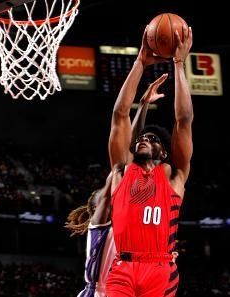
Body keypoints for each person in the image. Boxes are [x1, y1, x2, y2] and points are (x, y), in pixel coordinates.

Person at [106, 23, 193, 297]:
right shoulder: (122, 171)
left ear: (164, 152)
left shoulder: (174, 176)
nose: (145, 139)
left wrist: (179, 64)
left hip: (160, 270)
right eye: (142, 138)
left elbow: (184, 119)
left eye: (153, 140)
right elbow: (120, 115)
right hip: (123, 269)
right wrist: (140, 63)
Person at [64, 74, 169, 297]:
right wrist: (141, 107)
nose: (110, 189)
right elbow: (128, 156)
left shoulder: (127, 226)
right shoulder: (102, 225)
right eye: (106, 191)